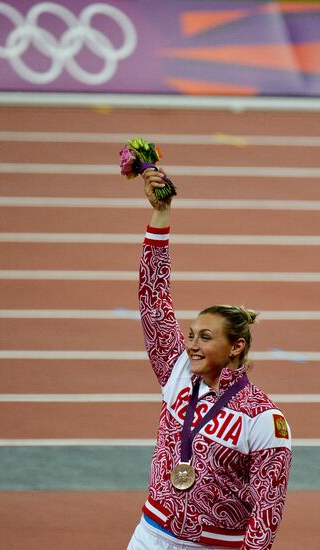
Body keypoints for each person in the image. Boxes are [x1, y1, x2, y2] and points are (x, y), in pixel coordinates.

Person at [127, 168, 292, 550]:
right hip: (150, 534)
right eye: (189, 335)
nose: (191, 345)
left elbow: (268, 511)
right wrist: (161, 215)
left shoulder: (265, 419)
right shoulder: (177, 371)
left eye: (205, 337)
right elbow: (154, 302)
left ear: (236, 347)